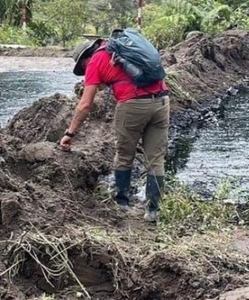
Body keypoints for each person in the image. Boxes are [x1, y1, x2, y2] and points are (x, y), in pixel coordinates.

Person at [60, 38, 170, 222]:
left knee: (124, 154)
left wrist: (69, 133)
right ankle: (153, 211)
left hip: (133, 104)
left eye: (83, 68)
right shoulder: (121, 48)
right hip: (162, 101)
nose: (85, 72)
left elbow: (85, 105)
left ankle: (122, 203)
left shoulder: (95, 60)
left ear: (84, 59)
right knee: (156, 158)